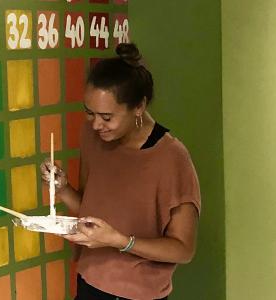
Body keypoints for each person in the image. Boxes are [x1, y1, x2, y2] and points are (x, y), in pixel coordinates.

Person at [41, 43, 201, 300]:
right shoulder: (93, 137)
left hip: (137, 294)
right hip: (89, 281)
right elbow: (91, 212)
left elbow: (183, 249)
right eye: (89, 113)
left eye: (106, 117)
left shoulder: (171, 158)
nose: (96, 125)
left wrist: (121, 241)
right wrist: (62, 188)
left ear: (139, 107)